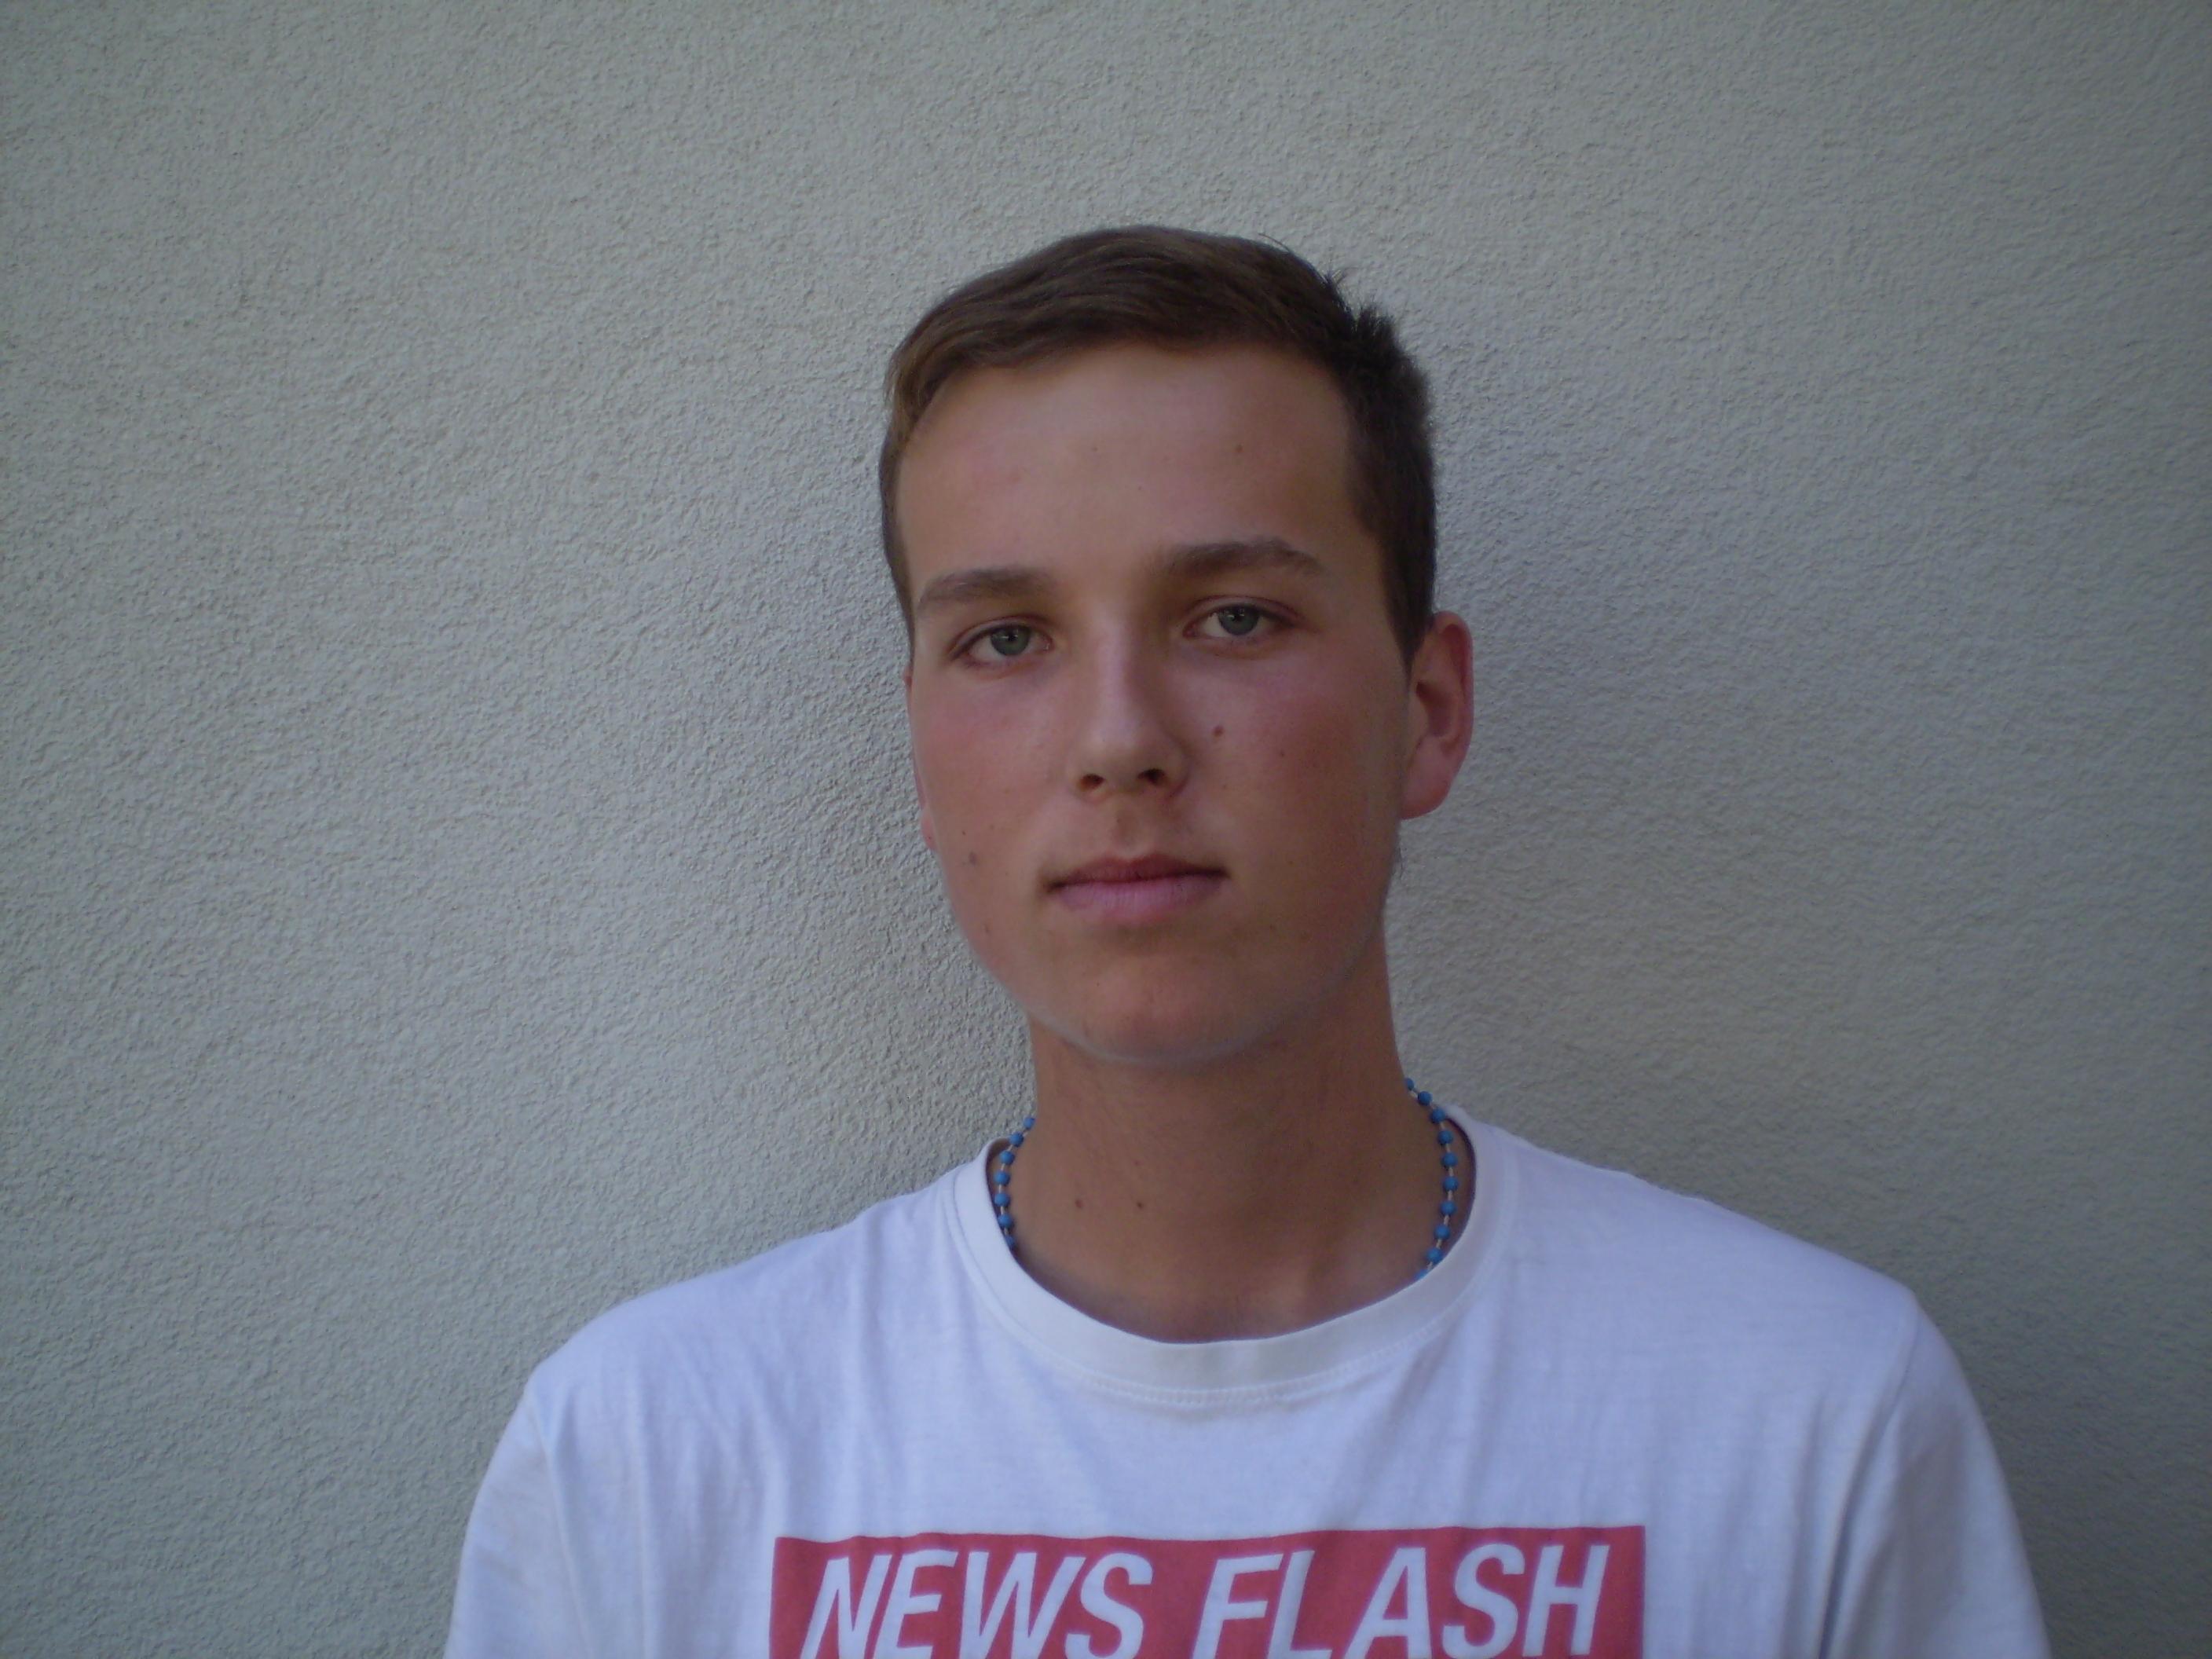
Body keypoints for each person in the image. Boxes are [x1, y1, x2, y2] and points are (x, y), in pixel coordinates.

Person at [446, 227, 2049, 1658]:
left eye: (1233, 618)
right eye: (1005, 639)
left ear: (1427, 712)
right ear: (923, 754)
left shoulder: (1806, 1418)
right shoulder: (647, 1460)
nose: (1121, 743)